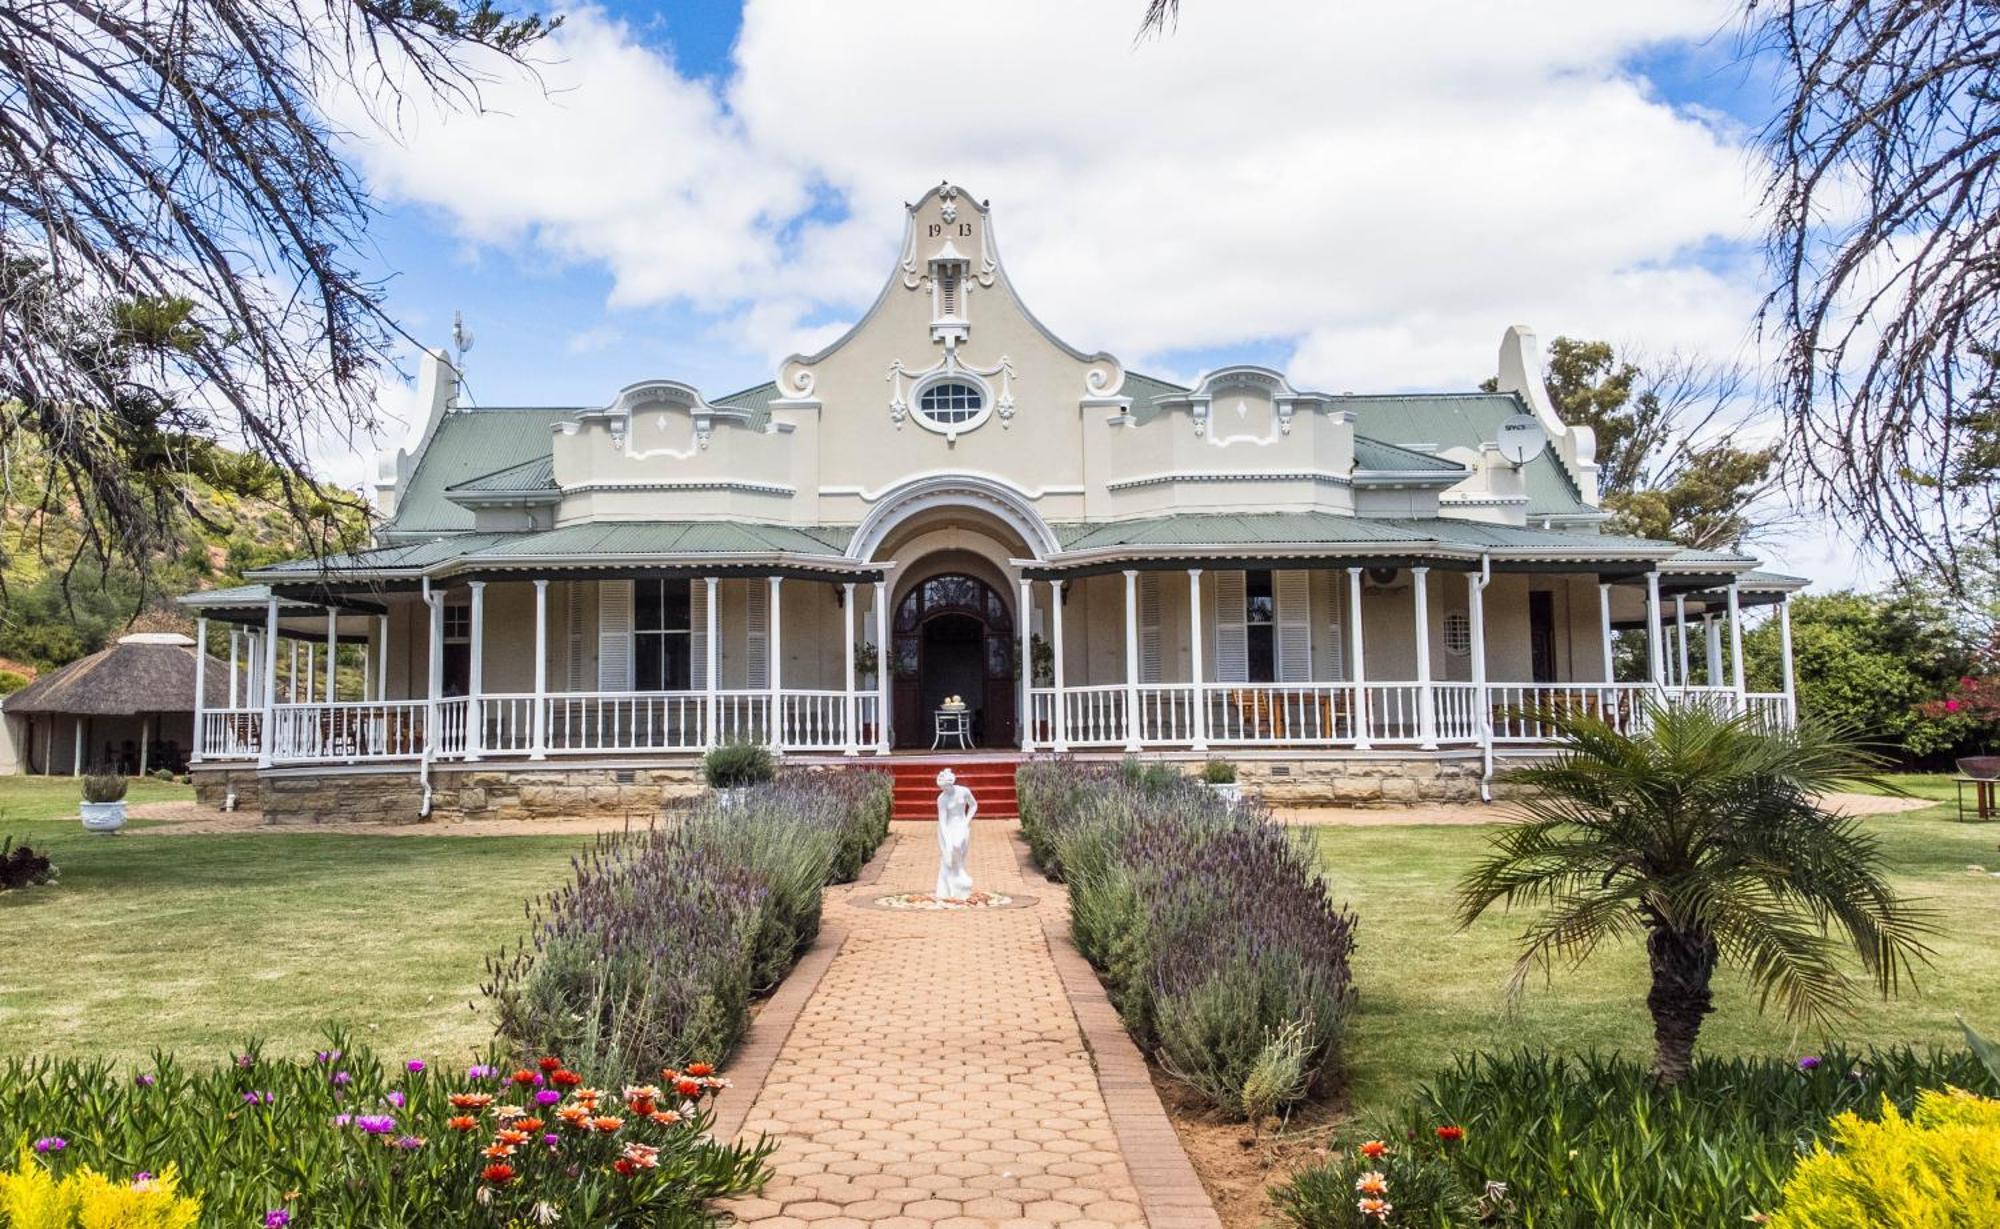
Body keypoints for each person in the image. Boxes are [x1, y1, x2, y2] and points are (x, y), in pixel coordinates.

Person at [934, 767, 977, 900]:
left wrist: (967, 820)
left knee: (958, 846)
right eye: (942, 788)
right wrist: (946, 840)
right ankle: (951, 882)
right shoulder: (942, 799)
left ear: (951, 784)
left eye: (945, 787)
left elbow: (974, 805)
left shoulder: (963, 791)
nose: (944, 790)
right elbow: (942, 821)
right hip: (948, 827)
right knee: (949, 852)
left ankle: (960, 871)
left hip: (962, 824)